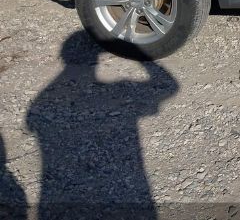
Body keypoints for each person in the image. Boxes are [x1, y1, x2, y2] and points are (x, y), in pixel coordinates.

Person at [26, 31, 178, 219]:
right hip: (130, 187)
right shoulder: (47, 99)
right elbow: (170, 86)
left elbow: (32, 124)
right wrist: (139, 53)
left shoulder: (43, 99)